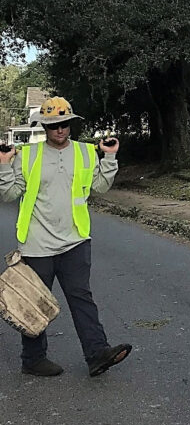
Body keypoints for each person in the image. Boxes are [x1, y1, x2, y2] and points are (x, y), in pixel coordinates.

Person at [0, 97, 132, 378]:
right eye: (53, 126)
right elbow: (10, 194)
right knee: (35, 302)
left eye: (63, 124)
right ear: (44, 127)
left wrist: (109, 157)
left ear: (71, 124)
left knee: (81, 297)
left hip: (75, 241)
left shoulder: (86, 153)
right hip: (36, 244)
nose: (59, 130)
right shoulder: (27, 155)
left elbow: (100, 186)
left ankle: (97, 354)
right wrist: (3, 165)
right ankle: (33, 359)